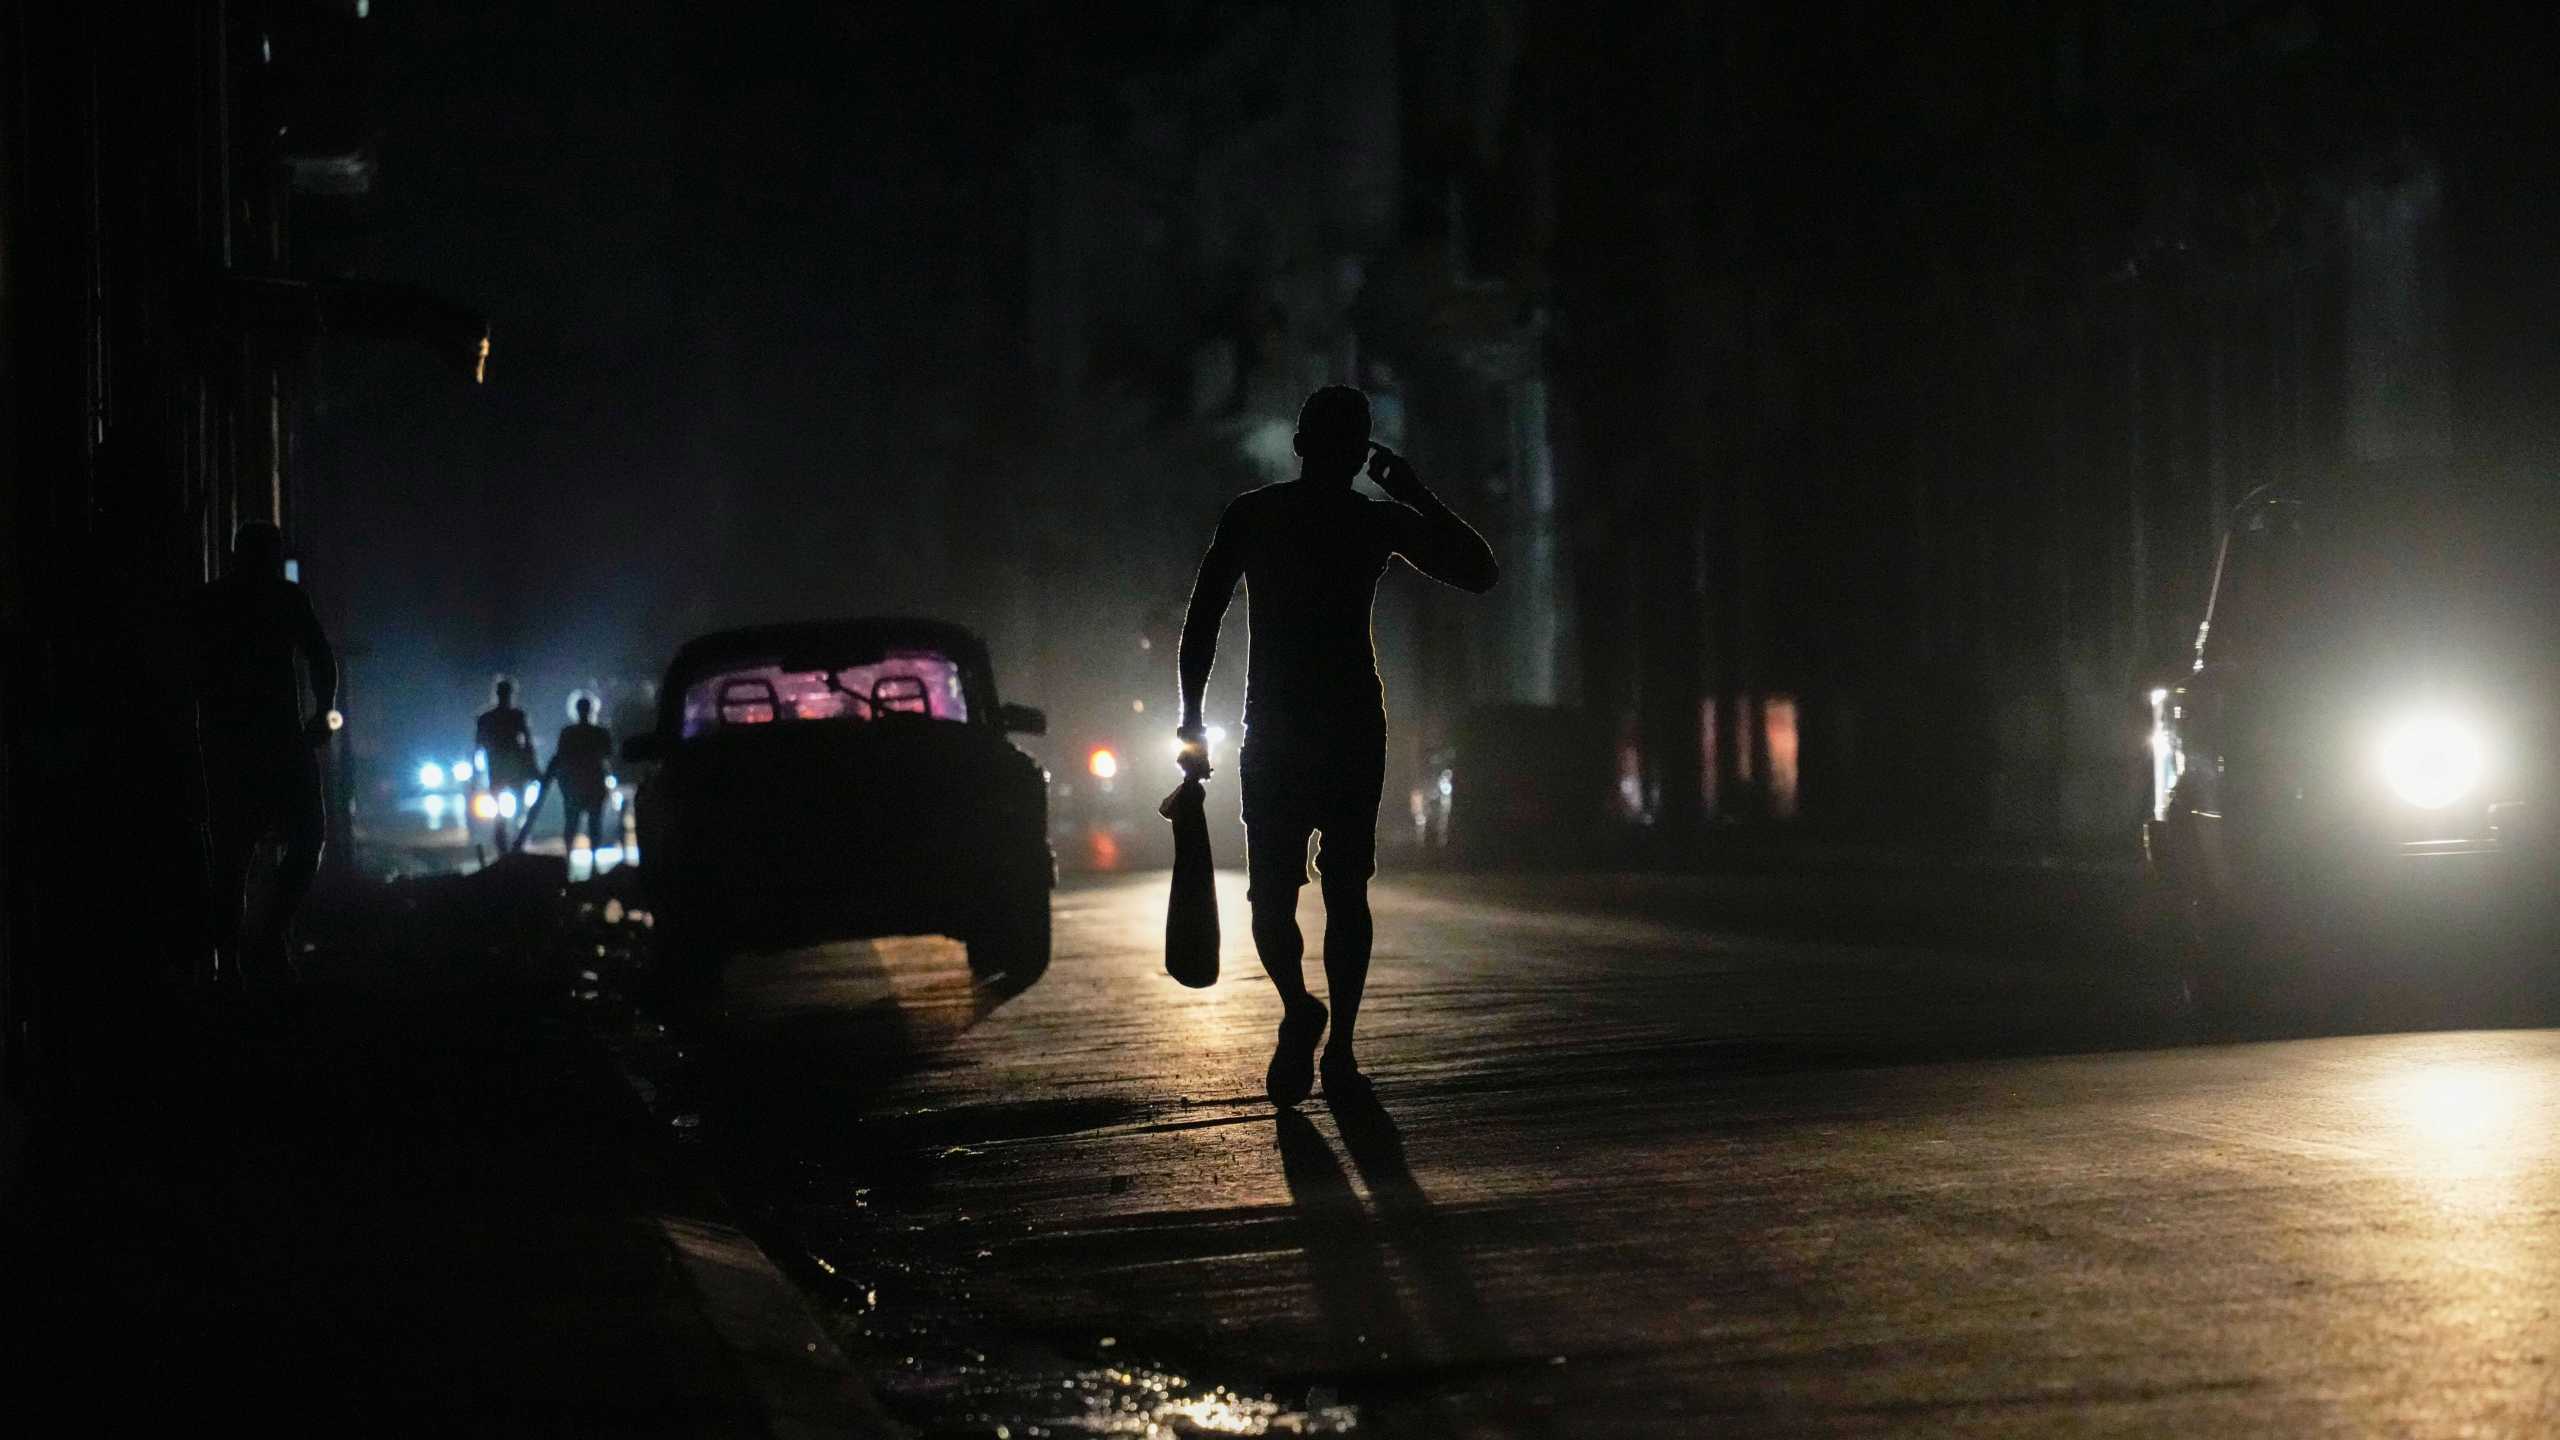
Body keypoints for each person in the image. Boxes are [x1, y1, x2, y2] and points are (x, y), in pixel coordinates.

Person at [1177, 385, 1498, 1107]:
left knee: (1277, 897)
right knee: (1341, 892)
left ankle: (1309, 1017)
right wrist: (1418, 495)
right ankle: (1334, 1042)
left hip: (1290, 728)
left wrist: (1192, 720)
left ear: (1301, 444)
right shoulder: (1366, 522)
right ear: (1357, 454)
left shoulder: (1261, 515)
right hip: (1346, 725)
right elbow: (1480, 570)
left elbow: (1202, 622)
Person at [197, 522, 338, 982]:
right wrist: (322, 713)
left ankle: (235, 961)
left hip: (228, 743)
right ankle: (262, 941)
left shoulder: (212, 601)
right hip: (274, 740)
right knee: (304, 836)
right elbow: (320, 657)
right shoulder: (284, 599)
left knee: (232, 856)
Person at [474, 678, 537, 851]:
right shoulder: (516, 716)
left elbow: (478, 746)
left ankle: (506, 844)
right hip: (511, 768)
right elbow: (528, 743)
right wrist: (532, 767)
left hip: (499, 768)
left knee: (502, 812)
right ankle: (513, 843)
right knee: (514, 810)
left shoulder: (487, 718)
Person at [548, 696, 614, 853]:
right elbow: (609, 754)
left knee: (572, 822)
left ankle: (569, 858)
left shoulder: (568, 733)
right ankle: (592, 862)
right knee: (594, 823)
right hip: (594, 782)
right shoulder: (600, 732)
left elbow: (560, 758)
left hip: (574, 784)